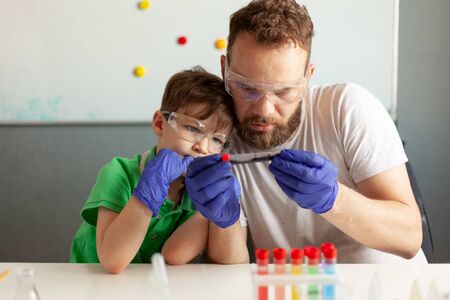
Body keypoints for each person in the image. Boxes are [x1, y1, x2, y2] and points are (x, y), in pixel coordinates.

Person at [185, 0, 427, 263]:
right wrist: (223, 221)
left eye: (284, 91)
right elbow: (228, 276)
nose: (264, 109)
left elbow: (409, 238)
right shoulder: (215, 140)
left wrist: (334, 199)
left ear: (308, 78)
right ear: (225, 70)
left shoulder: (346, 108)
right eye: (247, 88)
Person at [70, 66, 243, 273]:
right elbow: (112, 261)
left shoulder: (196, 193)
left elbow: (174, 255)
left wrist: (213, 208)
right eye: (193, 128)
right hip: (88, 284)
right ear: (160, 123)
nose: (203, 147)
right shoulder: (119, 173)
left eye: (216, 139)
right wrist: (150, 189)